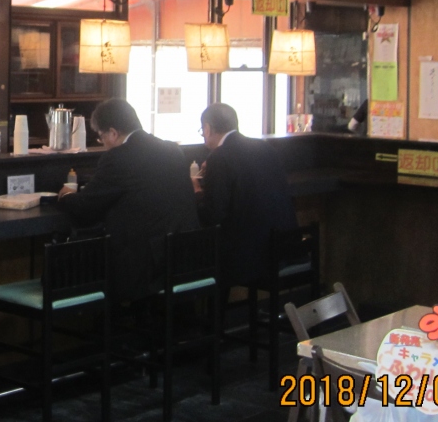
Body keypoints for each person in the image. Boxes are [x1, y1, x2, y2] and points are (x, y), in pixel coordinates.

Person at [57, 98, 198, 301]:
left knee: (80, 263)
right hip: (184, 258)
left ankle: (99, 319)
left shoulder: (118, 157)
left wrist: (66, 195)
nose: (104, 144)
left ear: (113, 133)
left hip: (145, 268)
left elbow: (85, 209)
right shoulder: (172, 149)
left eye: (101, 137)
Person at [195, 103, 297, 287]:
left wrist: (196, 191)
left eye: (202, 130)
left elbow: (214, 214)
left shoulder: (219, 157)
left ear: (208, 129)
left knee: (202, 254)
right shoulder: (264, 147)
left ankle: (214, 306)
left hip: (252, 258)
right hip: (285, 247)